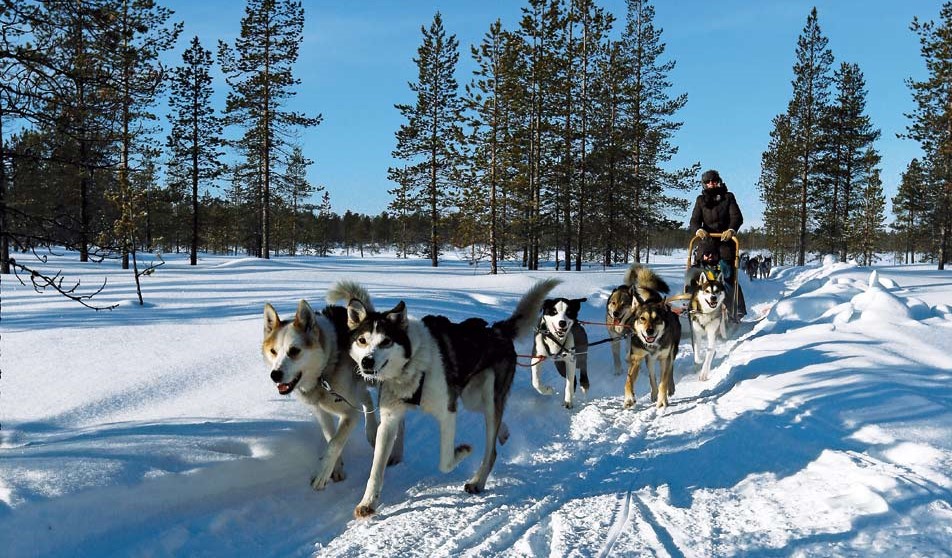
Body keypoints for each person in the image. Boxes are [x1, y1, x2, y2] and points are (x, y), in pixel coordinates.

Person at [689, 169, 746, 319]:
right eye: (708, 182)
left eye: (713, 181)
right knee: (696, 275)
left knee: (727, 274)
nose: (711, 184)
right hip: (707, 243)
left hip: (724, 242)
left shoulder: (728, 197)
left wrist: (731, 230)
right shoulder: (700, 200)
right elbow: (694, 220)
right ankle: (694, 306)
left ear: (718, 182)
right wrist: (698, 230)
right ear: (704, 184)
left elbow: (737, 217)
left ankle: (728, 308)